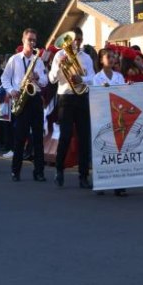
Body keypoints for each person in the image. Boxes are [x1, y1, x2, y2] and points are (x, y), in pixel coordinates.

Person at [48, 27, 95, 188]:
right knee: (66, 136)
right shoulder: (59, 55)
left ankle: (83, 176)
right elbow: (52, 79)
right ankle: (59, 170)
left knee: (84, 138)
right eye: (75, 40)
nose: (77, 43)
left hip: (81, 98)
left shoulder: (86, 57)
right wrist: (59, 67)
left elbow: (93, 78)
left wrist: (80, 78)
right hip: (65, 98)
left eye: (80, 40)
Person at [2, 28, 48, 182]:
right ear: (23, 41)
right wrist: (11, 90)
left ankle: (39, 172)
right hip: (21, 98)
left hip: (34, 98)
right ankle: (16, 171)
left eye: (34, 40)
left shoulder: (39, 60)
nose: (32, 43)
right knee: (20, 138)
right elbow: (5, 78)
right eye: (30, 40)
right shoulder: (14, 59)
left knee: (38, 138)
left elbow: (45, 82)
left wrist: (37, 77)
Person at [92, 48, 128, 196]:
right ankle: (101, 182)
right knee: (103, 150)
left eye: (114, 57)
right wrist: (102, 90)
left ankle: (119, 184)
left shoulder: (119, 76)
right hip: (103, 116)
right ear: (101, 60)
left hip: (117, 116)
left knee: (117, 150)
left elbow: (124, 94)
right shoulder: (97, 78)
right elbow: (95, 96)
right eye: (108, 57)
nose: (112, 59)